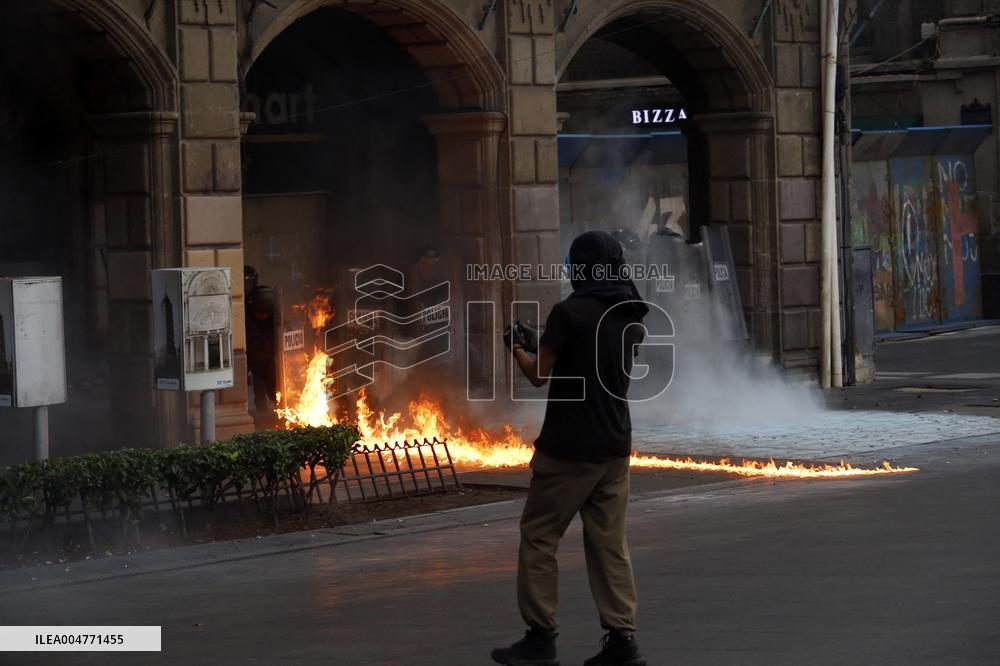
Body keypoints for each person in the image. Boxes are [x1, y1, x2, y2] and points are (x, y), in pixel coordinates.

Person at [492, 231, 649, 666]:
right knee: (609, 545)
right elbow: (593, 361)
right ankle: (623, 643)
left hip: (568, 450)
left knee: (539, 537)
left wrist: (518, 346)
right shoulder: (632, 312)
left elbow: (540, 374)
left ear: (582, 266)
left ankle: (540, 637)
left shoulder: (568, 312)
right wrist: (546, 341)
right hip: (615, 448)